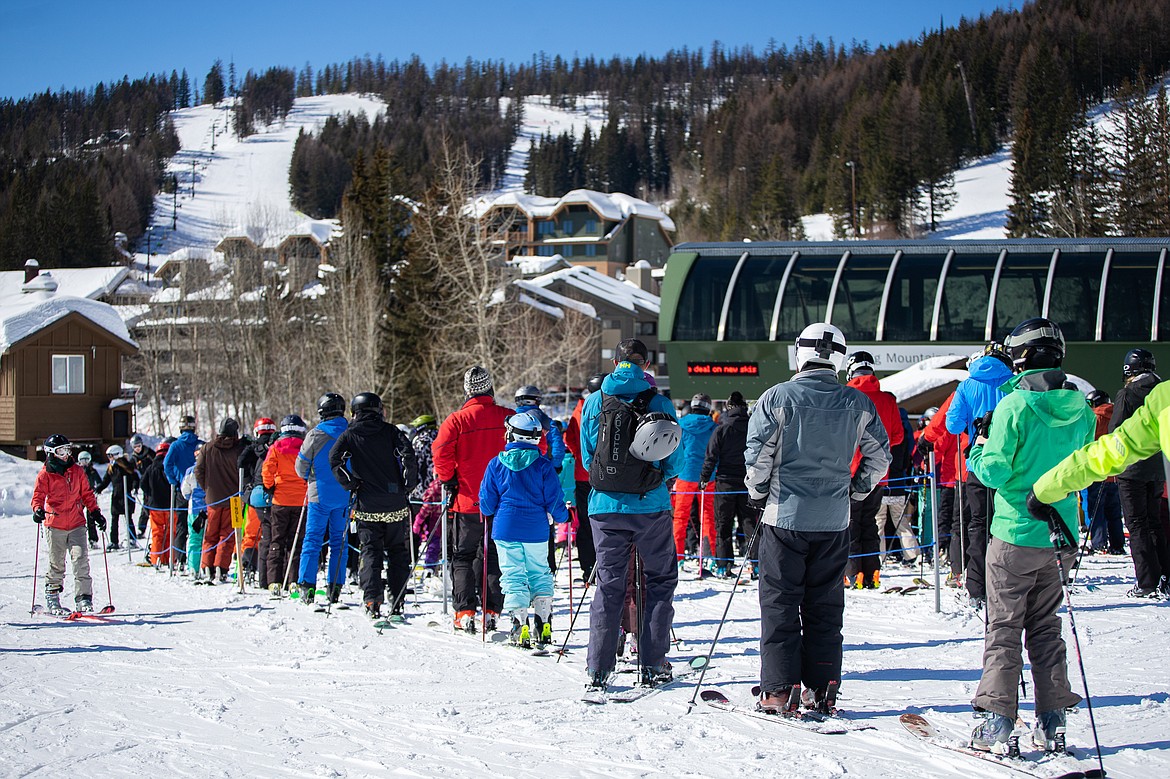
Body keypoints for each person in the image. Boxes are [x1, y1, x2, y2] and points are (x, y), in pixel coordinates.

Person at [745, 323, 890, 716]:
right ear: (839, 357)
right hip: (834, 519)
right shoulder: (858, 403)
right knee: (825, 606)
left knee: (780, 603)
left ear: (799, 354)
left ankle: (778, 690)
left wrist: (758, 493)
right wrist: (856, 491)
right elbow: (880, 457)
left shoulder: (777, 397)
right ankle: (823, 686)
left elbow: (758, 457)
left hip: (785, 516)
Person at [964, 318, 1094, 754]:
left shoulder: (1014, 406)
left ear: (1020, 356)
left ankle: (997, 721)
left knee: (1003, 628)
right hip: (1060, 534)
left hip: (1015, 531)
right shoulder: (1081, 408)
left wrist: (978, 447)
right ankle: (1053, 718)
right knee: (1046, 627)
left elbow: (995, 471)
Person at [579, 337, 683, 691]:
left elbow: (587, 455)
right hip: (650, 505)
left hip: (604, 507)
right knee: (660, 580)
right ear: (645, 366)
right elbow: (673, 459)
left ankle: (598, 668)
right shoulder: (660, 401)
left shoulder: (594, 402)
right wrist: (657, 480)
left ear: (616, 363)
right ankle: (654, 663)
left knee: (609, 586)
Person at [1031, 381, 1170, 598]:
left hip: (1115, 475)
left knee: (1114, 517)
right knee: (1122, 516)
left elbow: (1110, 448)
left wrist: (1047, 487)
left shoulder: (1163, 399)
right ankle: (1115, 545)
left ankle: (1103, 544)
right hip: (1136, 477)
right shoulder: (1161, 398)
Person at [480, 411, 570, 648]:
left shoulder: (496, 464)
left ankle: (520, 625)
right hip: (536, 530)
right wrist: (563, 516)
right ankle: (543, 622)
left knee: (513, 576)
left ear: (511, 434)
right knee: (540, 572)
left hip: (506, 528)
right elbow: (554, 499)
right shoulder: (543, 465)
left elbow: (487, 504)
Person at [432, 366, 513, 631]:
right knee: (494, 557)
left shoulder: (456, 420)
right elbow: (538, 444)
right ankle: (491, 610)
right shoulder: (507, 418)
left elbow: (440, 452)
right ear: (490, 387)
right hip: (502, 502)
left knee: (463, 557)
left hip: (467, 501)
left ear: (467, 390)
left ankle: (465, 611)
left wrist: (448, 479)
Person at [330, 392, 418, 619]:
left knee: (370, 552)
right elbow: (408, 454)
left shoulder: (350, 434)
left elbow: (334, 459)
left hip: (367, 503)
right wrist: (408, 485)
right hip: (394, 502)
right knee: (398, 552)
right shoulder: (391, 431)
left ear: (354, 412)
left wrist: (350, 483)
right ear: (379, 410)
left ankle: (372, 599)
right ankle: (397, 600)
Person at [946, 343, 1015, 608]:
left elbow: (953, 425)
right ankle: (1005, 584)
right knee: (1006, 525)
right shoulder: (1014, 384)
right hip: (1008, 465)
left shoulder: (967, 385)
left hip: (977, 465)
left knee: (977, 525)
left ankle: (976, 588)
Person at [1108, 349, 1168, 597]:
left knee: (1137, 525)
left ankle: (1146, 581)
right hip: (1157, 468)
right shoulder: (1162, 393)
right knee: (1156, 524)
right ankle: (1165, 576)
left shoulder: (1128, 393)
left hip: (1132, 469)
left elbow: (1116, 429)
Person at [843, 351, 904, 589]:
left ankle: (853, 572)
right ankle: (873, 572)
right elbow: (898, 436)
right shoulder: (888, 400)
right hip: (879, 475)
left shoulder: (845, 397)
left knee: (851, 524)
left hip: (849, 472)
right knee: (869, 522)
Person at [32, 435, 104, 615]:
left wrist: (95, 512)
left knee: (81, 561)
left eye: (68, 450)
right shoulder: (45, 474)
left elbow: (87, 494)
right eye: (61, 451)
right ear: (51, 453)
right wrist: (38, 510)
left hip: (77, 523)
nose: (66, 454)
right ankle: (52, 598)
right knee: (56, 564)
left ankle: (84, 599)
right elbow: (38, 496)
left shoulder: (77, 471)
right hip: (55, 524)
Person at [296, 393, 351, 605]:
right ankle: (335, 588)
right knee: (340, 542)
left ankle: (307, 586)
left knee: (312, 539)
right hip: (345, 494)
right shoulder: (350, 432)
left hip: (319, 494)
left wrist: (310, 475)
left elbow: (301, 467)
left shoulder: (315, 434)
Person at [700, 391, 758, 578]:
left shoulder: (722, 429)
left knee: (723, 525)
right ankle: (756, 564)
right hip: (747, 482)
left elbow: (711, 456)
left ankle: (724, 565)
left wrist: (704, 478)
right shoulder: (753, 428)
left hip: (725, 483)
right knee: (749, 523)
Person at [195, 418, 246, 583]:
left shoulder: (207, 448)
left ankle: (206, 566)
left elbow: (199, 471)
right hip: (234, 499)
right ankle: (221, 567)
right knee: (228, 535)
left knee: (210, 535)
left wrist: (207, 488)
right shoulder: (239, 449)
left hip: (213, 499)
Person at [263, 415, 309, 597]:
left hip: (280, 500)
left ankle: (274, 581)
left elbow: (267, 470)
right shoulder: (305, 448)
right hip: (300, 500)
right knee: (296, 542)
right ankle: (294, 581)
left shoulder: (275, 448)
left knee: (277, 540)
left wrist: (270, 486)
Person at [564, 374, 604, 579]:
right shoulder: (607, 405)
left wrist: (578, 454)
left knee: (585, 522)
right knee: (604, 521)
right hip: (604, 475)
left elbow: (568, 437)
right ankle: (601, 566)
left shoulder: (579, 409)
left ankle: (588, 566)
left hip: (583, 474)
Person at [672, 393, 718, 571]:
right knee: (707, 517)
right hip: (709, 476)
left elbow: (676, 450)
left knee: (680, 517)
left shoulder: (682, 425)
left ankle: (678, 556)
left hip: (685, 475)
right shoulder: (713, 427)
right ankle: (709, 555)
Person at [1084, 390, 1125, 555]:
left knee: (1096, 511)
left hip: (1097, 470)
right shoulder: (1118, 415)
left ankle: (1099, 543)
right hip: (1114, 472)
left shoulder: (1094, 418)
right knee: (1114, 511)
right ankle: (1117, 544)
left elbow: (1088, 441)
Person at [239, 418, 277, 587]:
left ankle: (247, 566)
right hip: (275, 494)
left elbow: (240, 463)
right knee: (270, 535)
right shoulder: (277, 444)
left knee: (250, 534)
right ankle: (269, 571)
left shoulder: (253, 448)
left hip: (254, 495)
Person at [163, 415, 202, 569]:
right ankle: (198, 559)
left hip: (182, 490)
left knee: (181, 525)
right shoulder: (200, 444)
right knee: (199, 525)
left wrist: (174, 480)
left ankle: (180, 558)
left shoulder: (175, 445)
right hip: (200, 491)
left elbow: (167, 464)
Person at [140, 438, 176, 567]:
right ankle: (170, 559)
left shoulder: (150, 468)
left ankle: (156, 559)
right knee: (171, 533)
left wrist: (150, 494)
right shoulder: (170, 467)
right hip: (170, 506)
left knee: (157, 534)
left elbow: (142, 484)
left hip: (155, 507)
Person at [96, 444, 139, 550]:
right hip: (116, 496)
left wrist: (134, 488)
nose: (109, 459)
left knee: (128, 518)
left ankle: (132, 539)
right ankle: (114, 541)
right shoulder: (111, 468)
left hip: (126, 495)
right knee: (114, 519)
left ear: (117, 455)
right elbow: (106, 481)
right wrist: (98, 489)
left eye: (111, 456)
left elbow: (135, 478)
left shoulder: (126, 466)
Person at [181, 447, 209, 580]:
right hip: (210, 508)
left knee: (194, 539)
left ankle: (193, 567)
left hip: (195, 509)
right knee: (209, 538)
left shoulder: (190, 471)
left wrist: (189, 496)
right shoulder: (212, 470)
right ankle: (207, 566)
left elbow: (185, 491)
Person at [127, 433, 156, 537]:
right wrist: (135, 486)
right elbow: (132, 473)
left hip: (154, 480)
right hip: (145, 483)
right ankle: (141, 528)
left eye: (139, 446)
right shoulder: (134, 459)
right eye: (135, 447)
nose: (137, 449)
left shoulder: (149, 453)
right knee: (146, 505)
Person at [76, 451, 102, 548]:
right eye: (82, 460)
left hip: (90, 496)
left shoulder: (92, 471)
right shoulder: (78, 471)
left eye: (86, 460)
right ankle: (78, 540)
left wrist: (97, 489)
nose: (85, 462)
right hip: (79, 497)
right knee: (78, 518)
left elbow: (99, 481)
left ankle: (93, 539)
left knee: (91, 518)